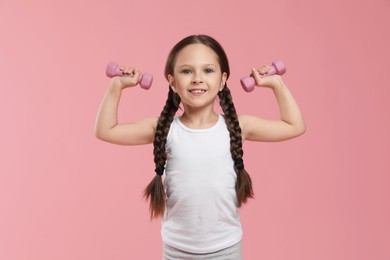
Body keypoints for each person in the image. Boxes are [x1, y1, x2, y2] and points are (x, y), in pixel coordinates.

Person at [95, 34, 305, 259]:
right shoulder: (165, 129)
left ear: (223, 80)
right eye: (186, 71)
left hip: (226, 249)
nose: (197, 78)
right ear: (172, 81)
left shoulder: (239, 126)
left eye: (208, 70)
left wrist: (276, 84)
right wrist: (117, 86)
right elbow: (106, 130)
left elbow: (294, 125)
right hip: (177, 250)